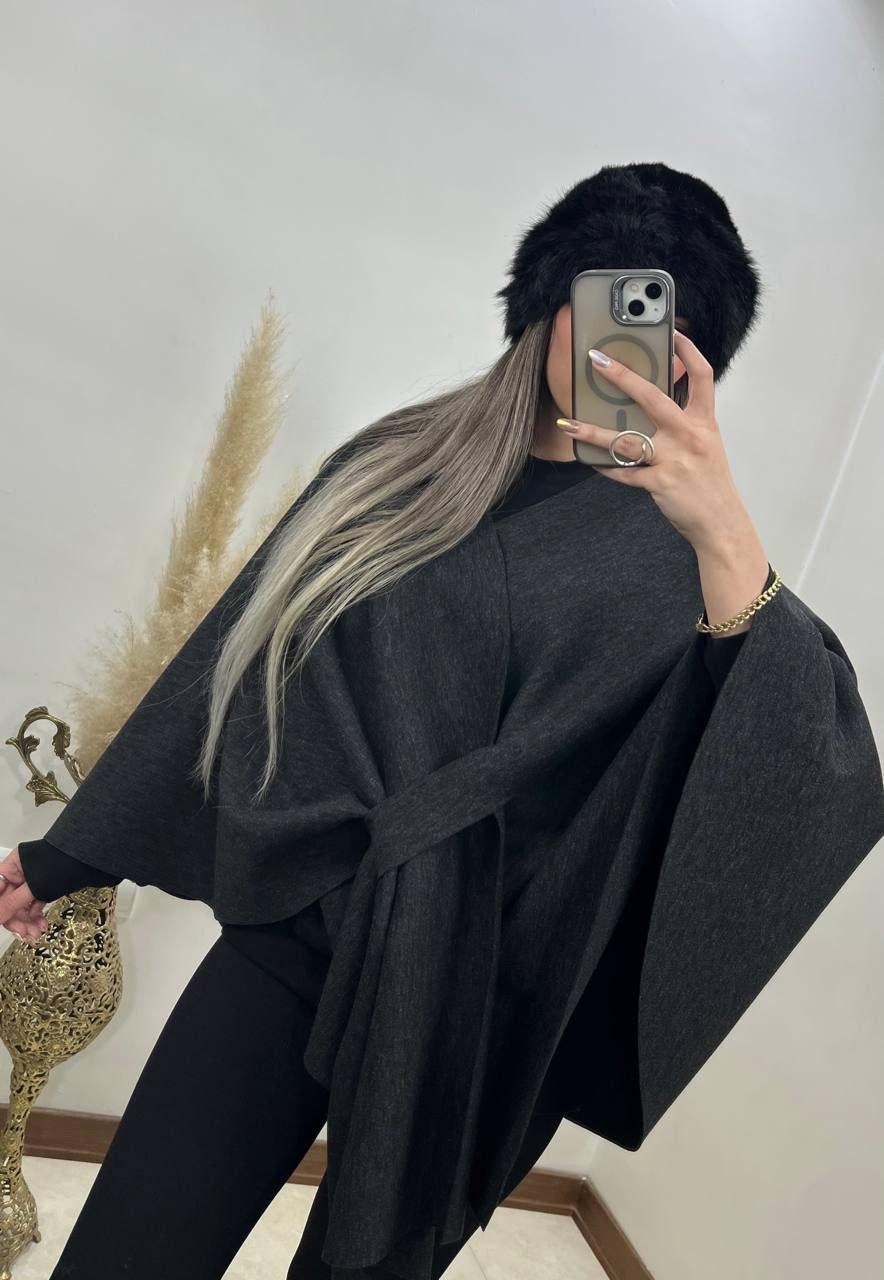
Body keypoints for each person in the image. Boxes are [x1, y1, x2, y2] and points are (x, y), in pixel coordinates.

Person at [2, 162, 881, 1280]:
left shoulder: (695, 551)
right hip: (297, 928)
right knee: (128, 1253)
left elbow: (803, 763)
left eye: (665, 326)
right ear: (547, 304)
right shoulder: (401, 465)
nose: (624, 349)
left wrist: (725, 536)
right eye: (609, 300)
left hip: (481, 997)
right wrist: (73, 852)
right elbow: (239, 654)